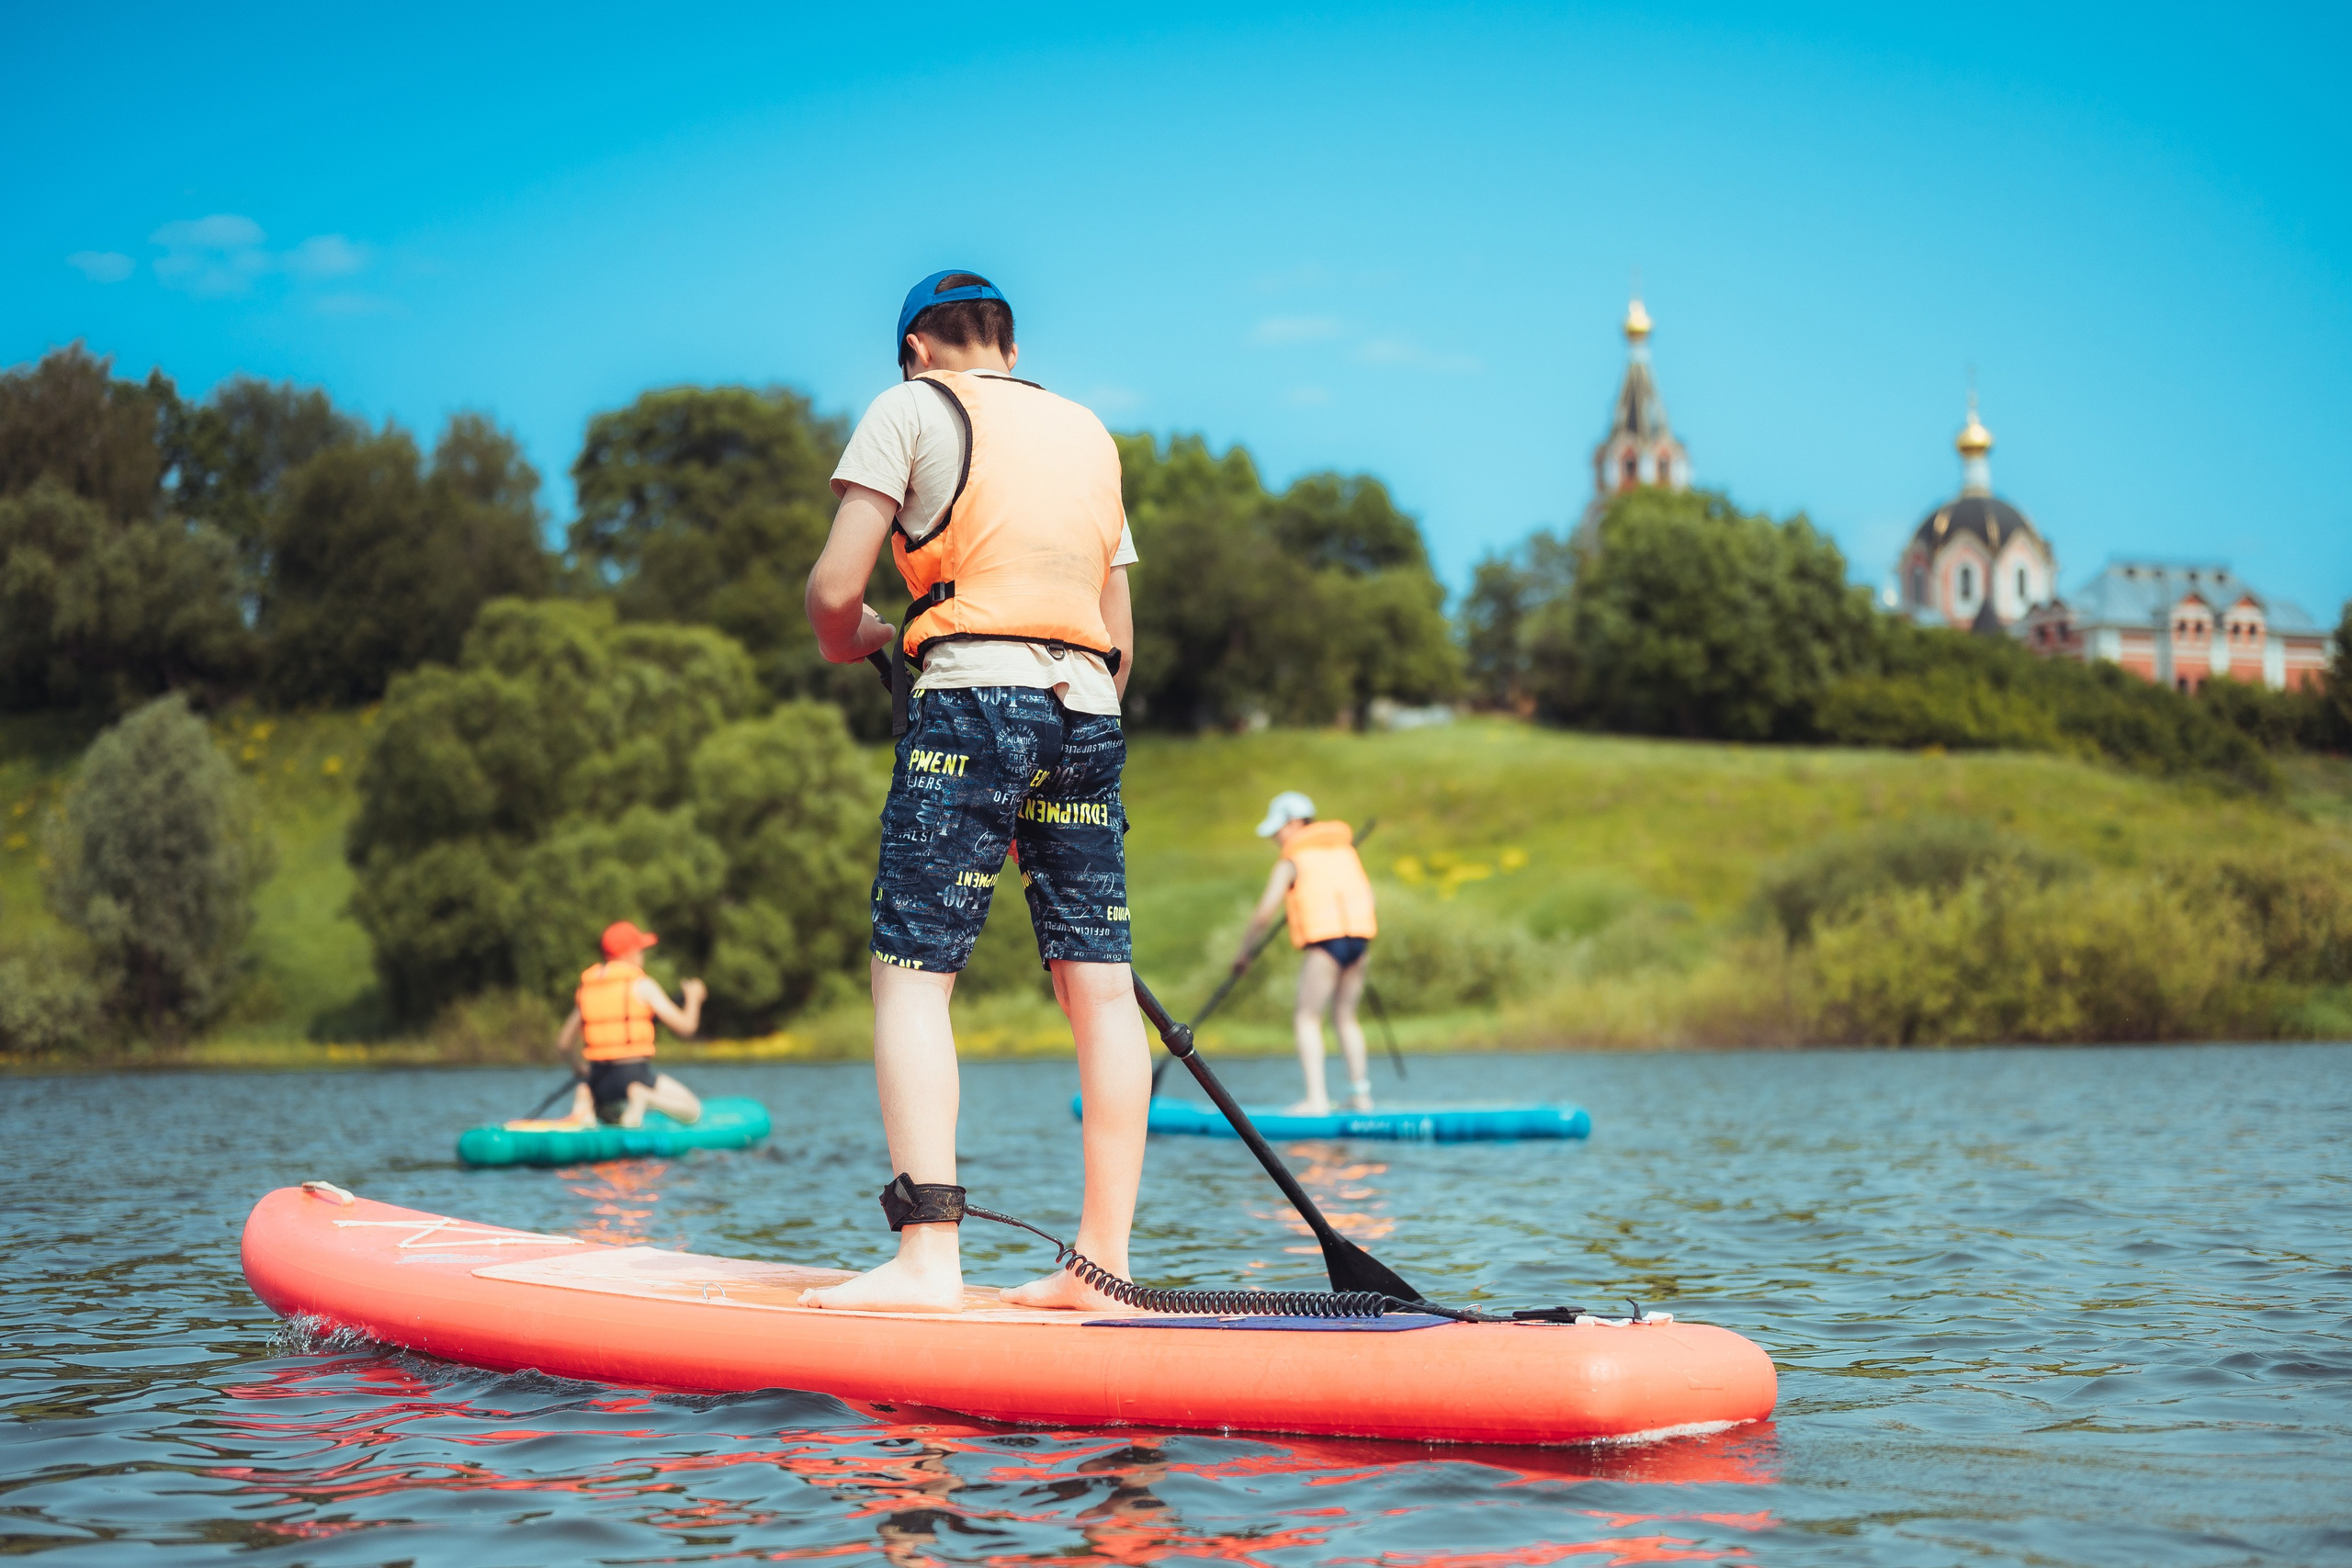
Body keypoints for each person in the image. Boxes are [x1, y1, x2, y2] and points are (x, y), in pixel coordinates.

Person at [800, 268, 1149, 1314]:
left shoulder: (909, 406)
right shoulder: (1089, 432)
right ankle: (1102, 1268)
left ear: (916, 349)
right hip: (1088, 711)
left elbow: (833, 592)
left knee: (912, 973)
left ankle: (927, 1259)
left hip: (971, 703)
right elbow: (1120, 638)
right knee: (1100, 987)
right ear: (1009, 344)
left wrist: (859, 637)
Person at [1233, 791, 1378, 1115]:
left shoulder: (1293, 859)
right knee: (1346, 1018)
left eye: (1278, 830)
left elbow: (1264, 913)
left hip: (1325, 944)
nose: (1275, 838)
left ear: (1295, 823)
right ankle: (1361, 1097)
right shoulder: (1345, 851)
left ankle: (1316, 1100)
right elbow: (1369, 898)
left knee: (1307, 1017)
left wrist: (1244, 952)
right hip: (1359, 941)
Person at [554, 920, 707, 1129]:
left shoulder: (587, 989)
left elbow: (564, 1044)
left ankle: (585, 1100)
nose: (643, 955)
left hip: (598, 1079)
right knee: (693, 1111)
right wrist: (694, 998)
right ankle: (645, 1097)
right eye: (641, 950)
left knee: (610, 1115)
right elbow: (687, 1027)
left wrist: (580, 1069)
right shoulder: (642, 985)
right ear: (630, 953)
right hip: (633, 1075)